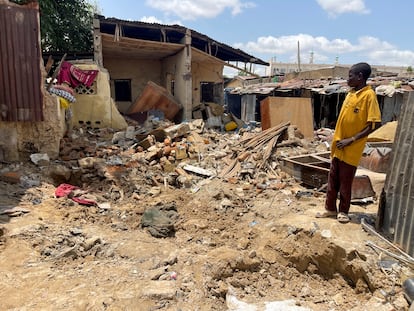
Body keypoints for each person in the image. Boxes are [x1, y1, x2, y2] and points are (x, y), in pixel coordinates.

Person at [316, 62, 381, 223]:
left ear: (360, 77)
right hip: (338, 146)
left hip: (351, 148)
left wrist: (351, 140)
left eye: (350, 76)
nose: (348, 79)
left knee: (345, 182)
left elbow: (374, 124)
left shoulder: (369, 96)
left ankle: (343, 211)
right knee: (332, 180)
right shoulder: (350, 93)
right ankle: (330, 209)